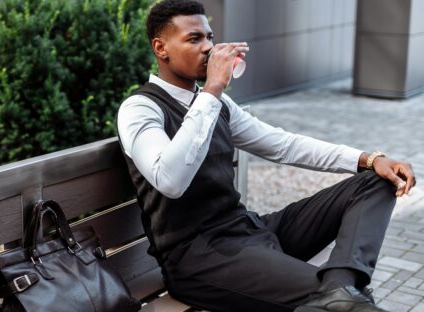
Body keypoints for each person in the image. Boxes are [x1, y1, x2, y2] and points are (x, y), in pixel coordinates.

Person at [116, 1, 417, 311]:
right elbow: (170, 180)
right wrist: (213, 90)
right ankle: (339, 297)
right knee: (340, 305)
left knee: (375, 182)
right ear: (160, 48)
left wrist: (369, 159)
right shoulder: (140, 109)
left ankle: (340, 286)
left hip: (249, 230)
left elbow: (283, 145)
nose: (208, 47)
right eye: (194, 39)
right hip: (198, 259)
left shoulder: (215, 104)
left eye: (210, 36)